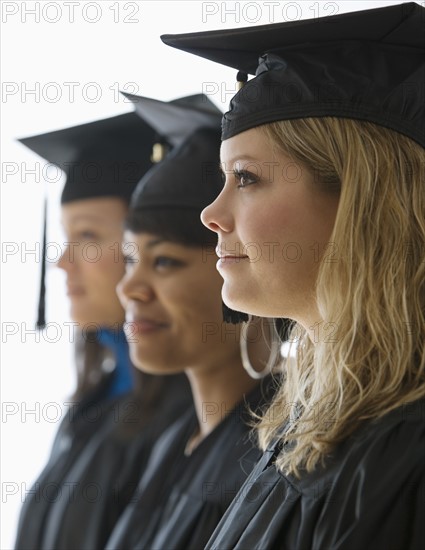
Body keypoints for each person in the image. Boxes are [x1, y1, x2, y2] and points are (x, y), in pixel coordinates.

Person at [161, 2, 425, 548]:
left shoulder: (408, 450)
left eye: (247, 178)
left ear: (362, 201)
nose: (211, 213)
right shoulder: (307, 427)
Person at [104, 93, 278, 549]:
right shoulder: (172, 441)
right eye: (129, 260)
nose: (128, 288)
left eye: (164, 263)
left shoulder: (275, 455)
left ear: (232, 261)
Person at [15, 112, 192, 550]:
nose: (61, 262)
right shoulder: (93, 401)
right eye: (65, 237)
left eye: (87, 235)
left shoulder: (195, 414)